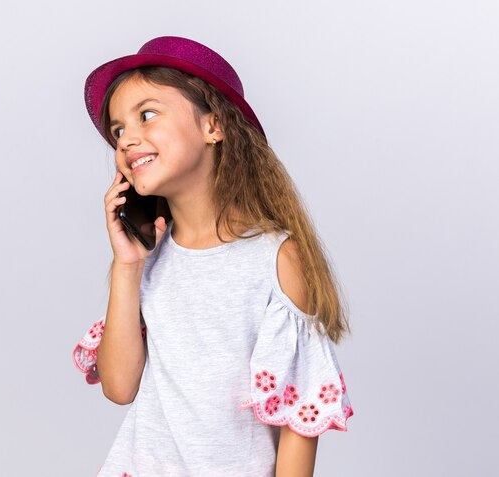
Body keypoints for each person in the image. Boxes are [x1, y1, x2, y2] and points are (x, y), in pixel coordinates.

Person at [72, 36, 354, 477]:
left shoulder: (275, 259)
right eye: (118, 130)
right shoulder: (149, 257)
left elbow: (298, 420)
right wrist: (127, 266)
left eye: (147, 115)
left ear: (214, 126)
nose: (127, 140)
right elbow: (120, 387)